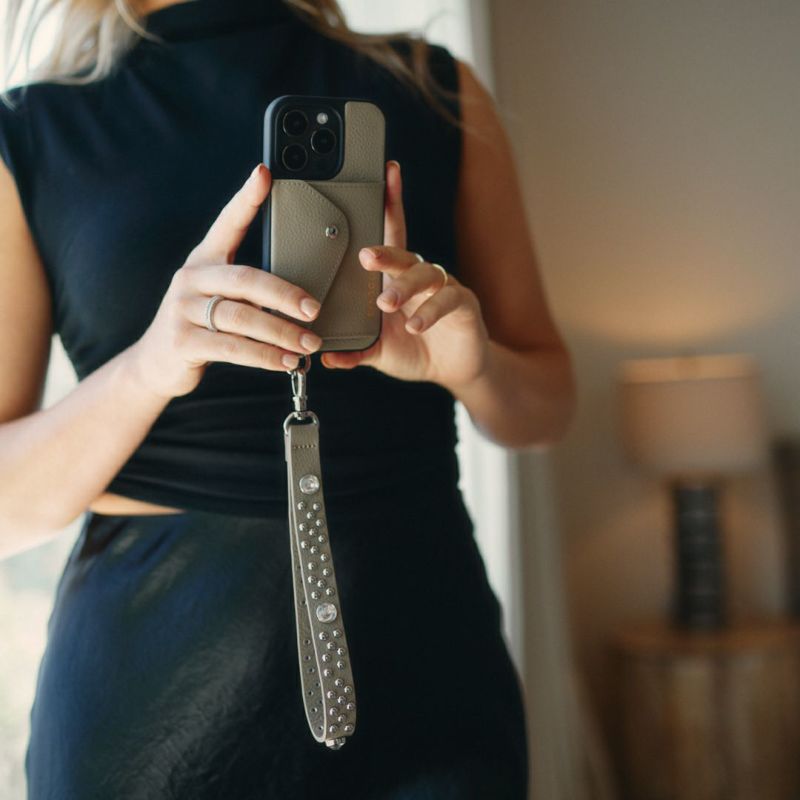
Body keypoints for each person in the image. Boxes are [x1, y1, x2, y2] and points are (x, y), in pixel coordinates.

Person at [0, 0, 575, 796]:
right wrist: (149, 368)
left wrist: (468, 366)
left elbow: (549, 407)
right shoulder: (33, 132)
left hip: (425, 666)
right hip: (149, 699)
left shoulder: (433, 91)